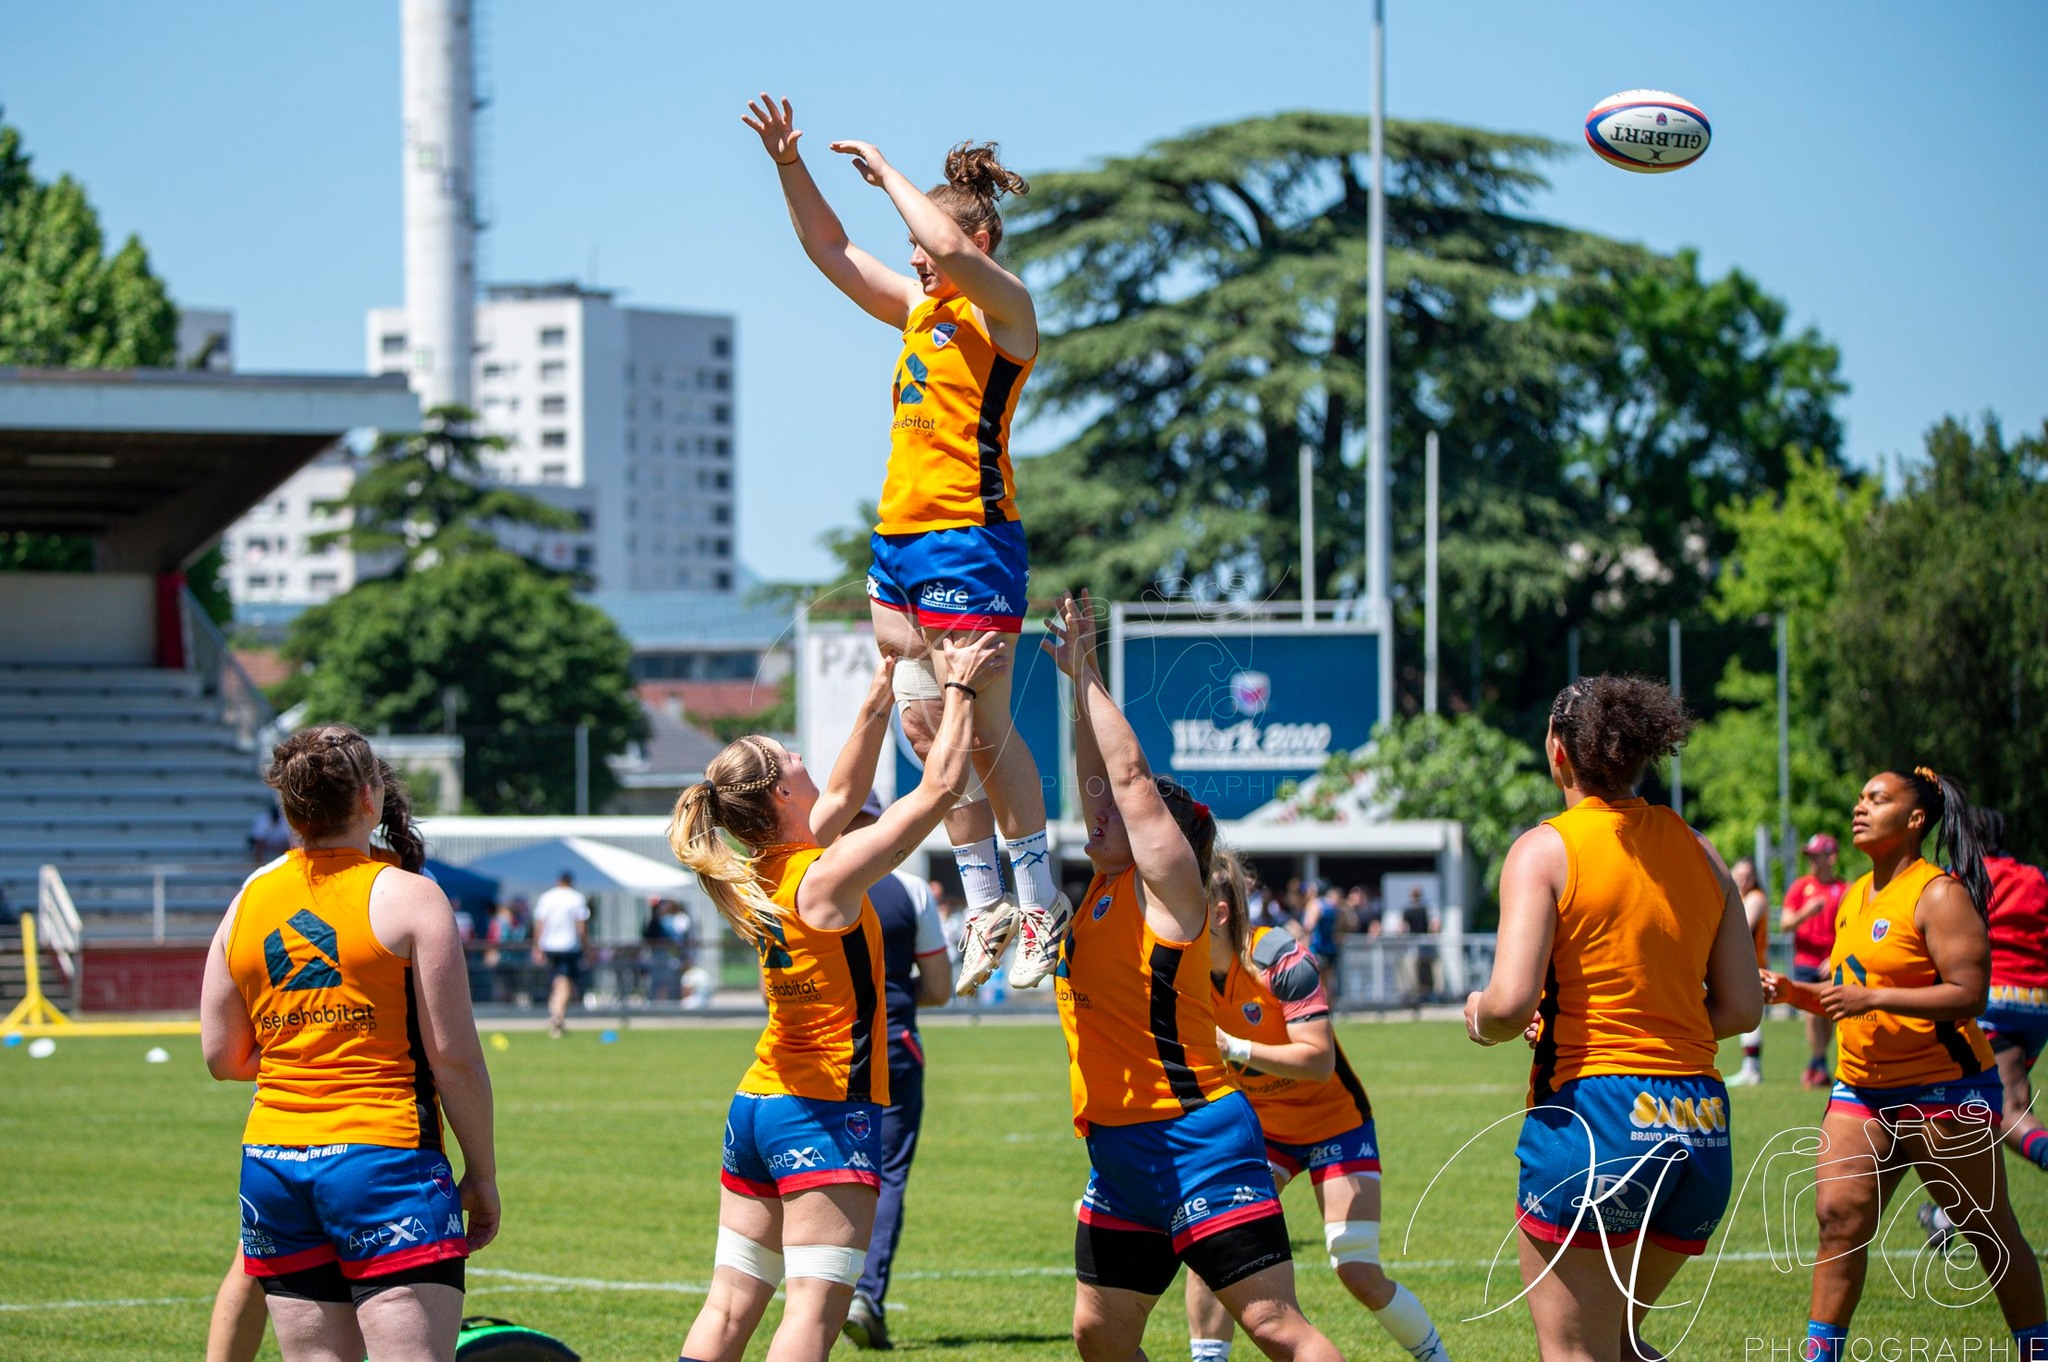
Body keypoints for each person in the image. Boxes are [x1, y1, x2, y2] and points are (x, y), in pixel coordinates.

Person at [742, 92, 1070, 997]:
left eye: (923, 246)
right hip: (899, 544)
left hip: (971, 540)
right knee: (928, 727)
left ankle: (1040, 895)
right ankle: (984, 899)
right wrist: (790, 167)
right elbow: (832, 252)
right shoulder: (921, 313)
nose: (915, 261)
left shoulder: (1005, 318)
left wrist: (890, 173)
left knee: (984, 724)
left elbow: (955, 250)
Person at [666, 632, 1005, 1362]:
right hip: (822, 1111)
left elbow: (846, 793)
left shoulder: (766, 866)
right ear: (785, 794)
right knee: (813, 1317)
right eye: (794, 761)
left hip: (757, 1106)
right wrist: (960, 692)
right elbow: (940, 791)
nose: (806, 763)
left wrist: (878, 702)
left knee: (729, 1308)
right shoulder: (824, 875)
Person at [1041, 590, 1342, 1362]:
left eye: (1120, 814)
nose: (1097, 815)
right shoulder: (1107, 886)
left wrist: (1090, 682)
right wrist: (1082, 676)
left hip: (1196, 1138)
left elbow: (1131, 778)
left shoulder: (1168, 894)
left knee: (1276, 1328)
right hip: (1118, 1152)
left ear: (1163, 842)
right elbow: (1107, 780)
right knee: (1099, 1338)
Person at [1465, 675, 1761, 1362]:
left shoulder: (1545, 849)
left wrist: (1479, 1015)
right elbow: (1743, 1008)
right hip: (1700, 1127)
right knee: (1622, 1344)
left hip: (1595, 1119)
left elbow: (1510, 1006)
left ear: (1557, 751)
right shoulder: (1702, 850)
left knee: (1578, 1352)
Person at [199, 723, 498, 1362]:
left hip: (274, 1164)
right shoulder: (412, 897)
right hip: (383, 1162)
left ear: (289, 806)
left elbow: (221, 1055)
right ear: (372, 798)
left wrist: (306, 1048)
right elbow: (454, 1060)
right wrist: (484, 1175)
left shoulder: (249, 897)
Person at [1761, 769, 2047, 1362]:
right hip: (1861, 1088)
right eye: (1861, 798)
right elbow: (1849, 991)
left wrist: (1874, 1000)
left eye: (1878, 799)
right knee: (1838, 1220)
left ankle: (2037, 1350)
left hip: (1943, 1088)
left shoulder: (1938, 893)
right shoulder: (1855, 897)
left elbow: (1969, 994)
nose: (1859, 807)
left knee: (1987, 1231)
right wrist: (1795, 992)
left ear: (1915, 821)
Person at [1192, 848, 1449, 1362]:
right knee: (1213, 1248)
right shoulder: (1187, 970)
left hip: (1336, 1123)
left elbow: (1318, 1060)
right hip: (1264, 1131)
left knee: (1356, 1268)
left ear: (1219, 912)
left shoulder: (1281, 960)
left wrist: (1236, 1049)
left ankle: (1436, 1359)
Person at [837, 793, 954, 1349]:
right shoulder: (908, 889)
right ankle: (865, 1295)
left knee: (817, 1175)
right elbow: (939, 988)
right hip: (892, 1048)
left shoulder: (806, 880)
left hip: (821, 1050)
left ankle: (819, 1292)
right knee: (886, 1177)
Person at [1783, 832, 1849, 1089]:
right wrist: (1806, 912)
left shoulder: (1844, 890)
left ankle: (1818, 1061)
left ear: (1831, 857)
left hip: (1832, 962)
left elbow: (1851, 929)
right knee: (1811, 1012)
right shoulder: (1801, 887)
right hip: (1807, 960)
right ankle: (1818, 1061)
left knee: (1829, 1014)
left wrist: (1835, 958)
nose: (1811, 860)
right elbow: (1787, 924)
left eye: (1816, 855)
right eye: (1809, 855)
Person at [1727, 858, 1772, 1086]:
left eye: (1746, 876)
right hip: (1742, 965)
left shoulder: (1755, 898)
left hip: (1753, 966)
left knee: (1750, 1017)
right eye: (1738, 875)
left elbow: (1742, 925)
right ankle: (1749, 1068)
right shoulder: (1740, 896)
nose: (1742, 880)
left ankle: (1752, 1069)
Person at [530, 871, 590, 1038]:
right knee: (564, 984)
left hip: (549, 946)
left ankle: (556, 1018)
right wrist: (587, 948)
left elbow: (540, 924)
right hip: (569, 946)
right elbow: (581, 926)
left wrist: (537, 947)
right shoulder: (577, 898)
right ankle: (557, 1018)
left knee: (557, 983)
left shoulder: (546, 898)